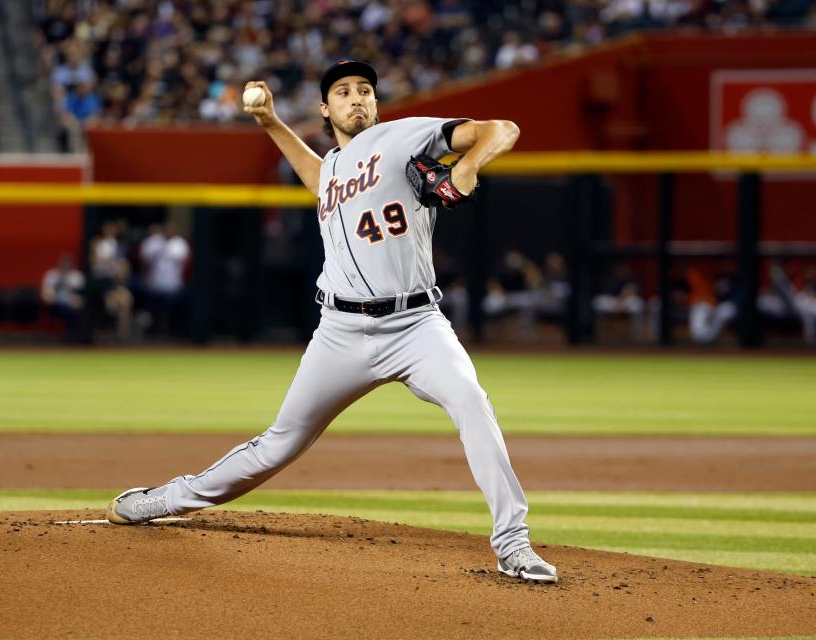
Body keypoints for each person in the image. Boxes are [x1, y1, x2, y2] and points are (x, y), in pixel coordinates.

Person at [107, 59, 557, 584]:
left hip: (416, 326)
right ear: (325, 108)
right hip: (339, 332)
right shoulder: (335, 169)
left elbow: (502, 129)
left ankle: (513, 544)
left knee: (472, 403)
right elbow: (318, 177)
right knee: (278, 444)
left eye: (365, 89)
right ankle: (165, 499)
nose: (357, 97)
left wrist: (468, 165)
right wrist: (272, 123)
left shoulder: (400, 138)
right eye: (343, 92)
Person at [40, 253, 85, 335]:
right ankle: (71, 331)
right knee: (66, 308)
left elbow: (81, 294)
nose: (65, 267)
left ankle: (79, 332)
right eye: (63, 264)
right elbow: (46, 294)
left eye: (67, 265)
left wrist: (76, 300)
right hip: (56, 303)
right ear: (59, 264)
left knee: (80, 307)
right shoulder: (52, 275)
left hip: (74, 302)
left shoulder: (77, 276)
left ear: (72, 265)